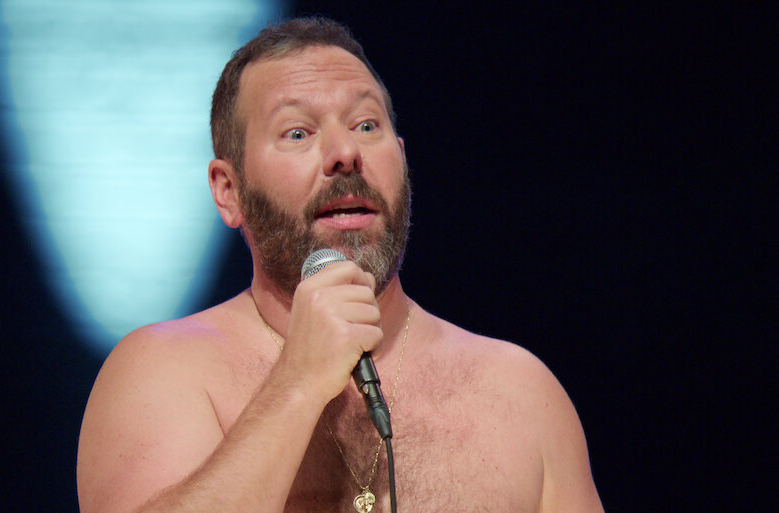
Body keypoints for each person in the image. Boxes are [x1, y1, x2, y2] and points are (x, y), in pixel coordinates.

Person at [77, 17, 603, 513]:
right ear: (229, 190)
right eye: (297, 133)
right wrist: (297, 382)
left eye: (366, 124)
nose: (345, 152)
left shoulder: (520, 393)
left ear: (402, 159)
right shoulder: (161, 373)